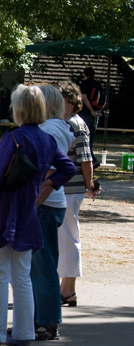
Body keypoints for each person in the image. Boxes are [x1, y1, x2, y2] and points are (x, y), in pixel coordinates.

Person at [0, 85, 74, 346]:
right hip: (28, 212)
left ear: (19, 109)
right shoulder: (46, 139)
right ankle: (25, 333)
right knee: (22, 277)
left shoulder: (13, 139)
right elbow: (67, 167)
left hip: (3, 211)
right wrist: (45, 186)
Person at [30, 84, 75, 341]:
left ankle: (46, 321)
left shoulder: (49, 129)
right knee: (41, 263)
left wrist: (42, 188)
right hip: (52, 202)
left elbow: (50, 167)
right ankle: (39, 319)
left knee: (42, 265)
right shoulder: (57, 128)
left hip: (46, 203)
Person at [57, 81, 98, 308]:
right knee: (63, 239)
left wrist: (88, 184)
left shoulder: (76, 124)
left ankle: (68, 289)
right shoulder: (63, 122)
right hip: (63, 189)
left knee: (69, 239)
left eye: (60, 97)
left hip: (70, 190)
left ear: (71, 102)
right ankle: (66, 289)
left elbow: (86, 158)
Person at [79, 67, 105, 167]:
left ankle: (91, 161)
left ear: (85, 74)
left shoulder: (85, 84)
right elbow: (104, 100)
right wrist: (97, 111)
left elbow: (84, 98)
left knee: (83, 138)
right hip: (96, 115)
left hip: (85, 114)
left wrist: (91, 110)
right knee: (91, 139)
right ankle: (92, 161)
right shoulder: (98, 84)